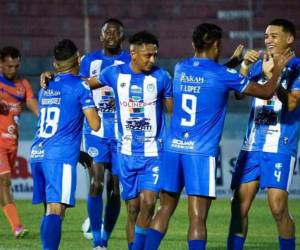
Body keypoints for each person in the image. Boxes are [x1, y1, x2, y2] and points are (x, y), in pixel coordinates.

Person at [144, 23, 293, 250]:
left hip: (173, 149)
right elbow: (264, 91)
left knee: (164, 209)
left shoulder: (182, 67)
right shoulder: (222, 74)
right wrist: (278, 69)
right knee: (197, 218)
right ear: (217, 45)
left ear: (194, 44)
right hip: (199, 154)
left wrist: (235, 64)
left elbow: (209, 75)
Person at [85, 30, 173, 250]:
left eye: (155, 55)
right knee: (132, 209)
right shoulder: (113, 74)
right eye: (148, 55)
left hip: (153, 153)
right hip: (125, 154)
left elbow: (173, 110)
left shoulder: (161, 77)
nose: (152, 60)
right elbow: (84, 85)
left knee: (149, 204)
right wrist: (55, 79)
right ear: (133, 53)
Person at [227, 18, 299, 250]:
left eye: (274, 36)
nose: (268, 40)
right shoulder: (260, 65)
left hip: (280, 146)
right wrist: (245, 68)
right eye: (266, 36)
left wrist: (273, 77)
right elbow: (239, 94)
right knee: (238, 206)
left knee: (278, 208)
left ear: (289, 39)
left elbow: (291, 104)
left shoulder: (297, 67)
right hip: (252, 147)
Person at [30, 39, 100, 250]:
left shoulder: (45, 87)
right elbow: (95, 124)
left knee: (50, 210)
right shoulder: (80, 86)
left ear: (55, 64)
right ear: (78, 59)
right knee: (55, 210)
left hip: (38, 153)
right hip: (58, 157)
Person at [80, 18, 130, 250]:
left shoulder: (130, 60)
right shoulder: (89, 60)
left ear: (122, 36)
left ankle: (105, 237)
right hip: (96, 129)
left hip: (122, 132)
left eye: (115, 31)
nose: (110, 34)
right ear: (100, 37)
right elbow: (77, 87)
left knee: (114, 190)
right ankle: (98, 241)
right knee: (95, 184)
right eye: (106, 31)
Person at [0, 46, 38, 238]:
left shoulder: (23, 85)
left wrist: (43, 120)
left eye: (16, 66)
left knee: (3, 184)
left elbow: (33, 105)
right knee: (4, 182)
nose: (12, 70)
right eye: (8, 66)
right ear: (0, 64)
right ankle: (17, 227)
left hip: (12, 143)